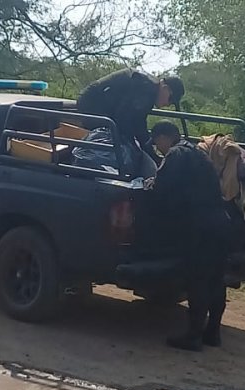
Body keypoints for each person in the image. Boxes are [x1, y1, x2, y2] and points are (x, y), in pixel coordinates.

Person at [145, 120, 232, 352]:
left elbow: (160, 187)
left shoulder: (175, 155)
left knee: (198, 280)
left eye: (156, 142)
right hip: (221, 222)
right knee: (215, 280)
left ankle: (193, 336)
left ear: (164, 137)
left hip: (201, 226)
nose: (157, 148)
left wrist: (148, 183)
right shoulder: (196, 153)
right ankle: (212, 333)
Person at [76, 69, 185, 176]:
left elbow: (138, 123)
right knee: (124, 148)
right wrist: (140, 148)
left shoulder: (150, 88)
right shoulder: (146, 88)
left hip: (100, 108)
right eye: (170, 99)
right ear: (165, 88)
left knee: (130, 147)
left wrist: (149, 151)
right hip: (91, 106)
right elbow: (124, 118)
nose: (168, 104)